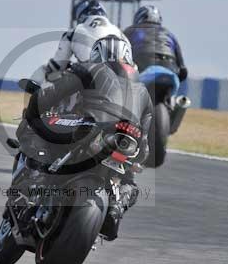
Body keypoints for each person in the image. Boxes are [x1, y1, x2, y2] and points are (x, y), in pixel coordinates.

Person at [24, 35, 153, 241]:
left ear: (97, 53)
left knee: (41, 129)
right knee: (131, 182)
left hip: (91, 126)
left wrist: (34, 109)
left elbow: (56, 92)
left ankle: (36, 176)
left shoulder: (90, 69)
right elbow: (145, 147)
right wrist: (135, 157)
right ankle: (115, 207)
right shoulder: (144, 90)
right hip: (128, 140)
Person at [45, 0, 131, 79]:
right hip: (122, 80)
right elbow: (131, 64)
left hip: (91, 80)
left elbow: (57, 65)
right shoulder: (120, 33)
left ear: (81, 16)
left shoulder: (73, 32)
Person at [124, 5, 188, 82]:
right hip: (169, 70)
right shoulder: (169, 34)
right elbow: (183, 70)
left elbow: (120, 54)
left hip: (143, 66)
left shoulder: (130, 31)